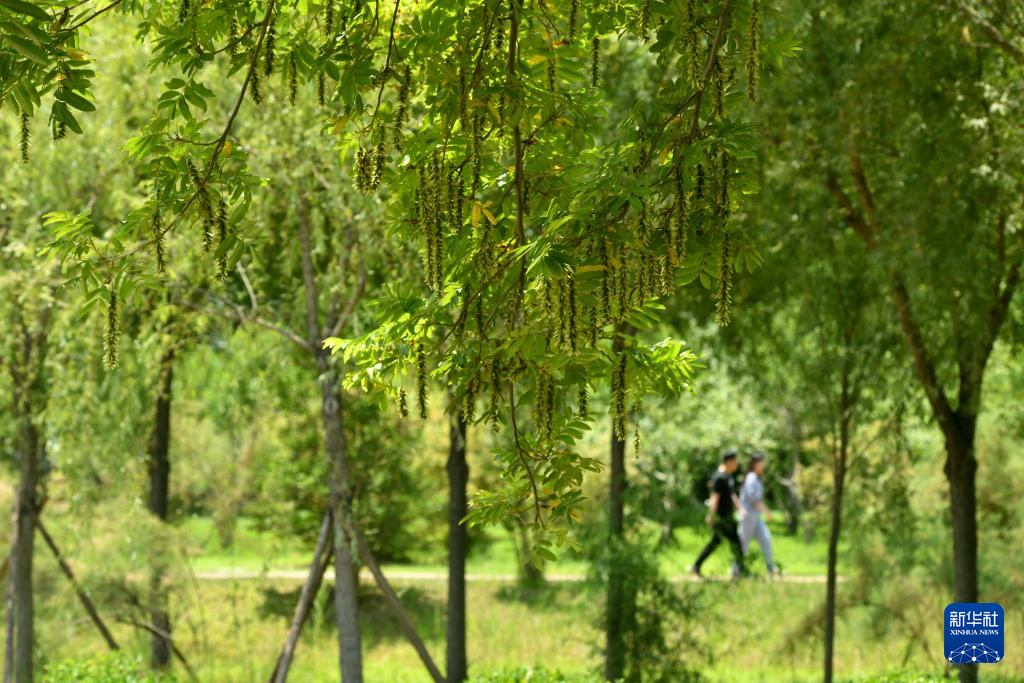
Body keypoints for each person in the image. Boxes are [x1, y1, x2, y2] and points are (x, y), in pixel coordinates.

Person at [690, 450, 746, 579]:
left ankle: (696, 566)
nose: (737, 464)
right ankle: (741, 570)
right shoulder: (719, 478)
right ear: (729, 462)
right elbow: (715, 497)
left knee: (716, 542)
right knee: (736, 543)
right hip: (722, 518)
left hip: (727, 516)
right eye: (735, 461)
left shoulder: (728, 476)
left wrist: (740, 508)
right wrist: (710, 515)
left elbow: (731, 494)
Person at [734, 452, 780, 576]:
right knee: (743, 543)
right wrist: (767, 512)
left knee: (766, 539)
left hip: (756, 516)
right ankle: (736, 569)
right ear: (755, 463)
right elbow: (753, 499)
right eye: (762, 463)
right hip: (748, 516)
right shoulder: (751, 477)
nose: (763, 465)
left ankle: (771, 568)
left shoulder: (756, 478)